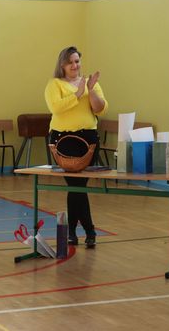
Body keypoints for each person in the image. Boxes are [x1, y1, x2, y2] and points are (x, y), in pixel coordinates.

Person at [45, 46, 108, 248]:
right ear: (62, 65)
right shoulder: (54, 84)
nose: (74, 65)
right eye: (70, 62)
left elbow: (100, 108)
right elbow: (56, 107)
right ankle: (89, 230)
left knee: (77, 186)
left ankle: (72, 232)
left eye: (77, 61)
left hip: (89, 139)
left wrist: (90, 90)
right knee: (77, 185)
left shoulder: (90, 83)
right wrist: (78, 93)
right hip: (63, 139)